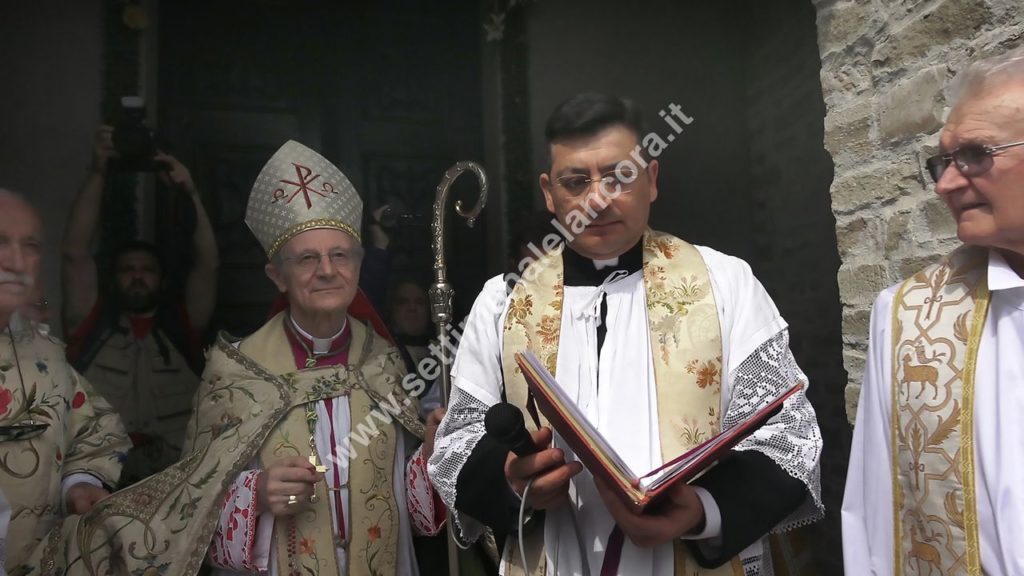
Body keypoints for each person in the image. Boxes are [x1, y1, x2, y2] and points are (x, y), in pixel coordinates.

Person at [428, 93, 823, 575]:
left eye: (621, 176)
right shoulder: (502, 301)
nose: (599, 197)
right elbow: (456, 445)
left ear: (651, 181)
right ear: (550, 194)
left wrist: (700, 509)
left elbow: (790, 434)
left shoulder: (726, 283)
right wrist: (514, 483)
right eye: (577, 181)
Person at [843, 47, 1024, 575]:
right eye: (941, 162)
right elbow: (874, 523)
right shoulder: (906, 319)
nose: (945, 184)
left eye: (975, 154)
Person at [62, 125, 219, 484]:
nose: (137, 276)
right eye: (127, 270)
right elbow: (75, 254)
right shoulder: (90, 325)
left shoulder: (182, 325)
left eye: (146, 270)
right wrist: (99, 170)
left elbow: (207, 264)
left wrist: (190, 192)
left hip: (171, 479)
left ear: (162, 280)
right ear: (113, 279)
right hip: (96, 478)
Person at [0, 189, 129, 574]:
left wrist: (79, 482)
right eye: (0, 242)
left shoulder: (45, 353)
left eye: (31, 245)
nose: (17, 262)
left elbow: (95, 428)